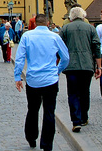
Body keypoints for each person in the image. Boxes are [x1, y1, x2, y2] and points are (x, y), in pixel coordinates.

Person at [14, 14, 69, 151]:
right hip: (50, 79)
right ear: (48, 23)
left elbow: (20, 57)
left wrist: (17, 77)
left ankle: (31, 137)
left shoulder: (27, 36)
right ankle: (47, 144)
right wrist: (57, 70)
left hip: (33, 80)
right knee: (49, 111)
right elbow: (66, 58)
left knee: (32, 109)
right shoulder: (55, 37)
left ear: (35, 23)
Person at [59, 7, 101, 132]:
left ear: (71, 17)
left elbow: (59, 46)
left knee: (72, 93)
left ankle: (75, 121)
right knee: (84, 92)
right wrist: (99, 66)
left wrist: (59, 62)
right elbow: (96, 47)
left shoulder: (65, 28)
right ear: (83, 16)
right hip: (87, 65)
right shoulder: (90, 28)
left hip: (71, 66)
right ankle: (84, 117)